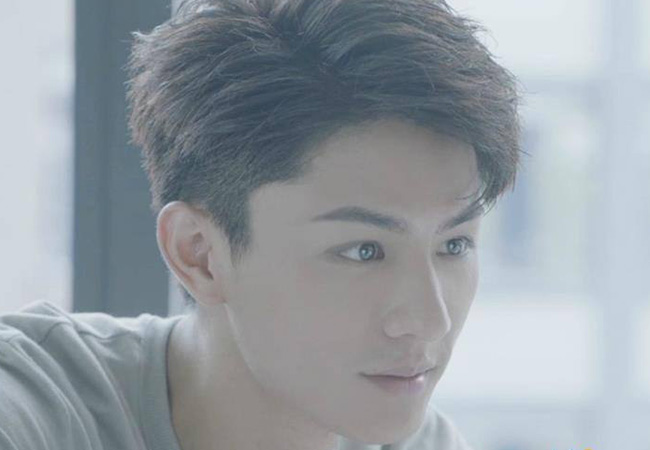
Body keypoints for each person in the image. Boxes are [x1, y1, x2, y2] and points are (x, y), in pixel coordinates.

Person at [0, 0, 521, 449]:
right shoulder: (31, 410)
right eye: (364, 250)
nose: (430, 321)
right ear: (200, 255)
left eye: (454, 245)